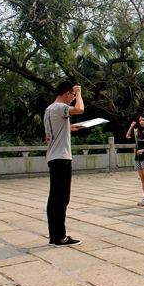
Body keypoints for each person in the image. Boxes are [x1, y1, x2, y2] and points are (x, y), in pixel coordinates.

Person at [44, 80, 84, 247]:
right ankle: (61, 237)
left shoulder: (48, 110)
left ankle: (53, 235)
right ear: (67, 93)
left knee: (54, 196)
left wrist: (69, 127)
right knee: (62, 197)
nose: (73, 99)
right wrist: (79, 93)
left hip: (52, 156)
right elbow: (80, 109)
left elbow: (48, 136)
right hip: (62, 157)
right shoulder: (61, 107)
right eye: (72, 96)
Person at [126, 113, 144, 206]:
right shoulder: (138, 132)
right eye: (140, 120)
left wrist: (143, 150)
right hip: (138, 158)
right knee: (142, 179)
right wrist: (131, 126)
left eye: (143, 120)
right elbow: (127, 136)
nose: (141, 122)